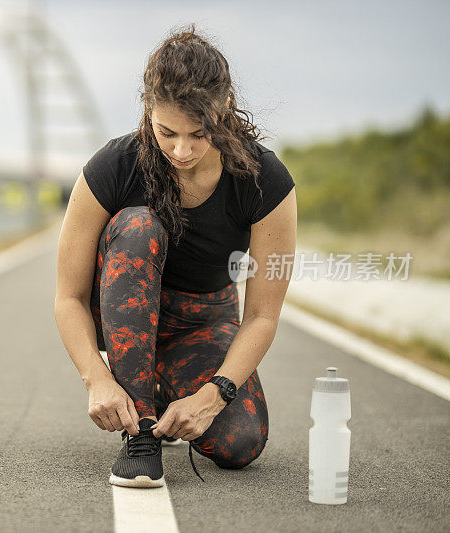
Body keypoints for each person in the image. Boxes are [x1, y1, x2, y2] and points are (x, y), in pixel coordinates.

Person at [53, 25, 297, 488]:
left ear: (223, 111)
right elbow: (68, 297)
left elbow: (263, 315)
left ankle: (166, 387)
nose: (181, 151)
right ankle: (141, 430)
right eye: (167, 133)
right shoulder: (112, 166)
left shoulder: (266, 180)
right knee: (140, 225)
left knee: (241, 443)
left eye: (197, 134)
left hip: (200, 322)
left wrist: (212, 395)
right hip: (119, 311)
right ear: (148, 108)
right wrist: (96, 379)